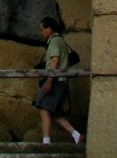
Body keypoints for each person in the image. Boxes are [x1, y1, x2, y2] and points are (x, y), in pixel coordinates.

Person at [34, 16, 85, 147]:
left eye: (42, 29)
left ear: (49, 29)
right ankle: (76, 135)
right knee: (54, 112)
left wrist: (49, 81)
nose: (41, 33)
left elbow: (54, 61)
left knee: (44, 108)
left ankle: (46, 141)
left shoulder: (55, 41)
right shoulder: (58, 41)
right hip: (60, 81)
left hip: (56, 81)